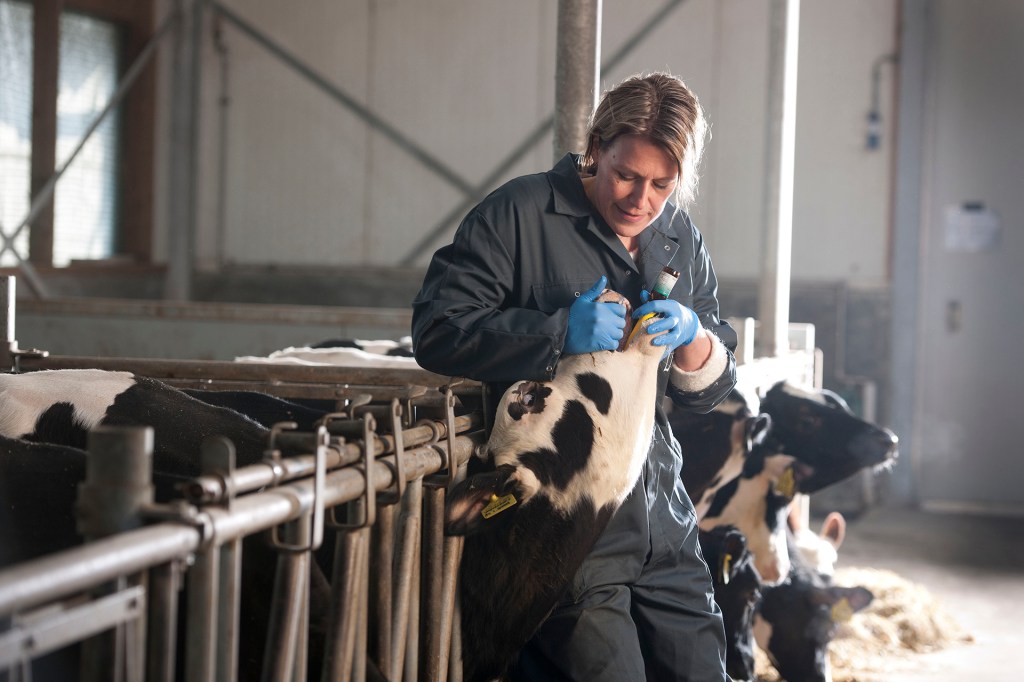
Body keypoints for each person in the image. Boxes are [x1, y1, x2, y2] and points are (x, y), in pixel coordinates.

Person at [412, 72, 736, 681]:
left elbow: (713, 390)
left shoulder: (678, 238)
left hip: (662, 517)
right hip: (566, 524)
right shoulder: (521, 212)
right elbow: (437, 327)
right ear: (597, 148)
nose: (641, 199)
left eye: (662, 185)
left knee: (701, 672)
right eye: (626, 175)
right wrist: (557, 332)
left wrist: (695, 338)